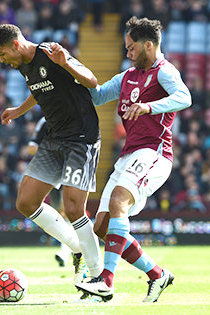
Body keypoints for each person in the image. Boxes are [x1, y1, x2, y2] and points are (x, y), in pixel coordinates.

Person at [76, 16, 192, 302]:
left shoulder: (164, 71)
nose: (127, 53)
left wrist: (149, 107)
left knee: (118, 203)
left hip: (154, 152)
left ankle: (106, 280)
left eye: (131, 48)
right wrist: (71, 72)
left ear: (148, 46)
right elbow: (99, 96)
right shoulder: (126, 77)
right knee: (102, 226)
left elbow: (184, 97)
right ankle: (157, 274)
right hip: (128, 155)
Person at [0, 24, 103, 292]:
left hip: (81, 138)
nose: (1, 60)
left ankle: (99, 277)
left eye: (1, 53)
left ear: (15, 45)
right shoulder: (24, 66)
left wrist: (66, 64)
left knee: (74, 208)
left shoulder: (51, 52)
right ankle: (77, 250)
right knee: (26, 202)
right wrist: (19, 109)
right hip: (55, 138)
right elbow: (41, 89)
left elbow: (91, 80)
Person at [27, 116, 72, 267]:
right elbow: (31, 147)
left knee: (71, 212)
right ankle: (73, 249)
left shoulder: (75, 117)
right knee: (61, 214)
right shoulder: (45, 120)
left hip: (72, 171)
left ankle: (66, 252)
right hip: (52, 173)